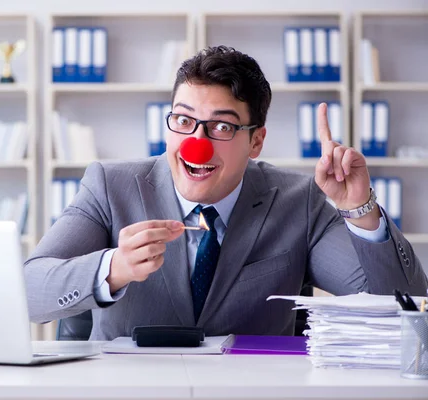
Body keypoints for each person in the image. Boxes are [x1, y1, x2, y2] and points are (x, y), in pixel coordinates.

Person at [24, 45, 428, 340]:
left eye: (222, 127)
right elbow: (28, 292)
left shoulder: (298, 201)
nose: (195, 143)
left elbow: (402, 310)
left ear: (256, 142)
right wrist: (112, 269)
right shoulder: (109, 187)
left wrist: (359, 208)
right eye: (183, 120)